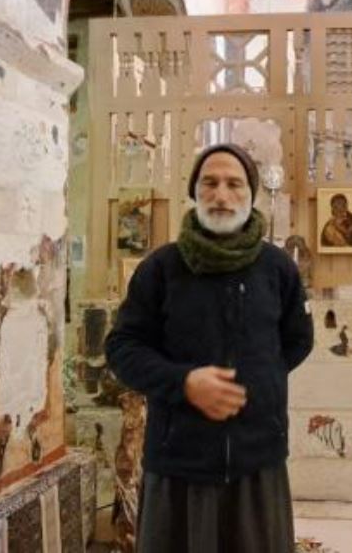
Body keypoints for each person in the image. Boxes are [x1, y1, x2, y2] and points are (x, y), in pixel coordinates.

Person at [105, 143, 314, 552]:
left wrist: (258, 382)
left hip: (258, 463)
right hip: (179, 464)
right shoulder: (161, 268)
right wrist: (183, 382)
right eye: (210, 183)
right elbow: (122, 347)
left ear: (251, 194)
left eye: (234, 184)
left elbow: (298, 341)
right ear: (195, 192)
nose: (221, 195)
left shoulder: (278, 269)